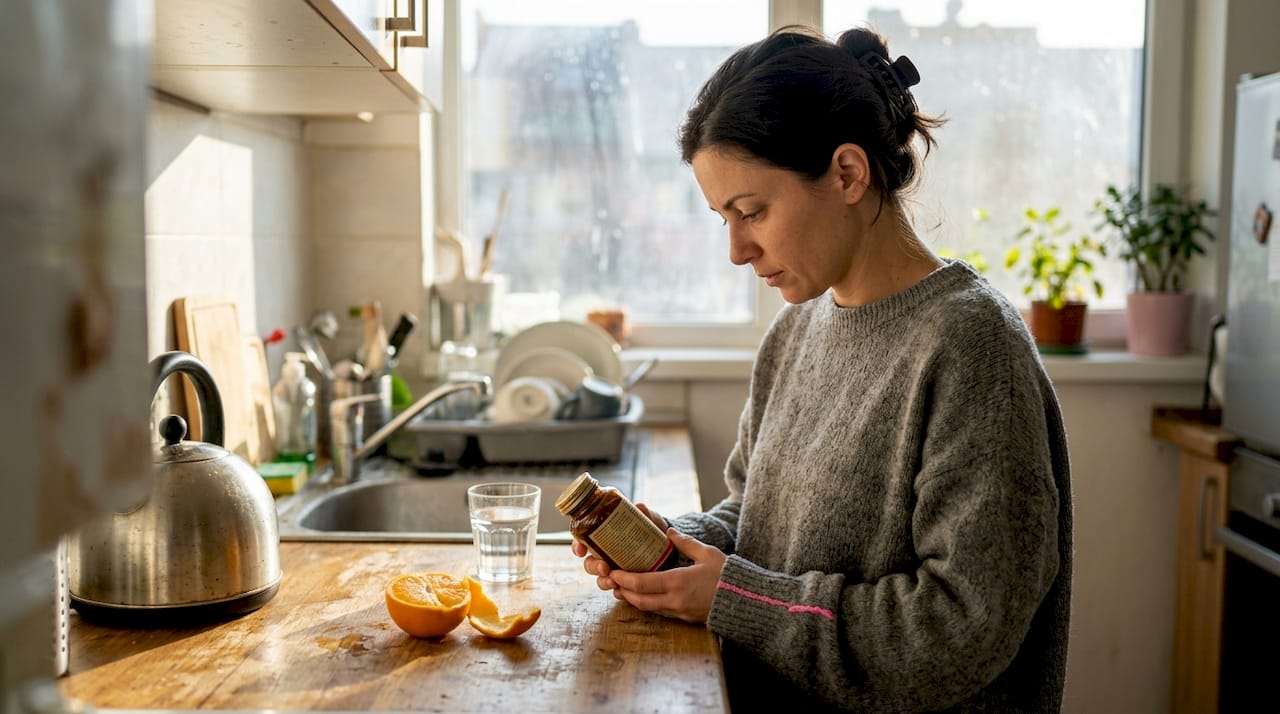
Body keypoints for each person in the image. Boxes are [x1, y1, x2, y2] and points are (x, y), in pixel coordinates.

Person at [570, 24, 1073, 713]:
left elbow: (961, 630)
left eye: (752, 211)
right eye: (723, 218)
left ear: (847, 173)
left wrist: (734, 598)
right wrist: (673, 547)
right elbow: (755, 516)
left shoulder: (971, 347)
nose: (738, 250)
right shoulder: (795, 329)